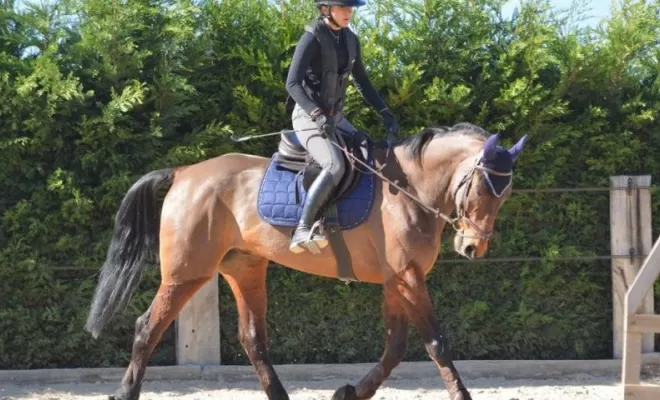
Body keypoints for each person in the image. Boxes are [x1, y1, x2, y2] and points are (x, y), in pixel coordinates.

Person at [283, 0, 400, 254]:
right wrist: (315, 113)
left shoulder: (350, 40)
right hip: (307, 117)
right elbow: (292, 83)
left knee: (367, 147)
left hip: (335, 118)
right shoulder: (311, 37)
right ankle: (303, 228)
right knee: (334, 164)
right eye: (343, 8)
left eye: (351, 9)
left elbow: (363, 82)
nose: (349, 13)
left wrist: (384, 111)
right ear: (326, 9)